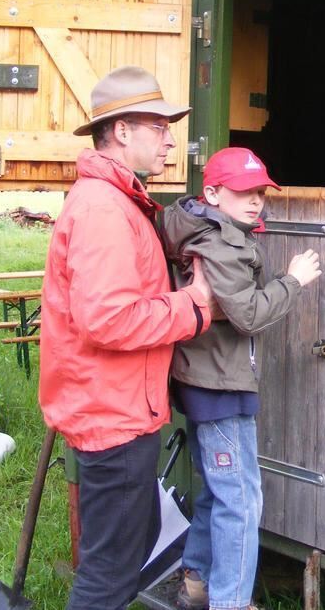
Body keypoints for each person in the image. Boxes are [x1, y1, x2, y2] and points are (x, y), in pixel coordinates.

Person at [39, 65, 214, 610]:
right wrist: (193, 308)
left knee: (121, 558)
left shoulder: (119, 202)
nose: (169, 140)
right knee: (108, 577)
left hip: (120, 411)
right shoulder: (101, 209)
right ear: (120, 131)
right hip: (109, 418)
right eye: (158, 127)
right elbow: (109, 319)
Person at [158, 147, 322, 610]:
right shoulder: (218, 243)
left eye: (260, 192)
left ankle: (197, 579)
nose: (256, 201)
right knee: (242, 500)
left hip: (205, 377)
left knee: (216, 488)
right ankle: (230, 602)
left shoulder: (208, 229)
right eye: (243, 192)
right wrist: (292, 280)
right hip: (220, 385)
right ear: (212, 192)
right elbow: (247, 314)